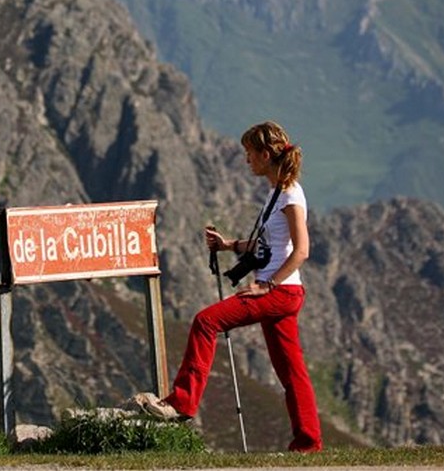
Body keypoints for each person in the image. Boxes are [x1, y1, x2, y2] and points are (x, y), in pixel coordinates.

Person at [128, 120, 323, 453]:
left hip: (280, 291)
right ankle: (308, 443)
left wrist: (267, 287)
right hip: (282, 291)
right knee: (292, 372)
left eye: (249, 153)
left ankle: (182, 403)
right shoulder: (276, 192)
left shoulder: (290, 196)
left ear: (265, 154)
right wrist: (228, 244)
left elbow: (302, 250)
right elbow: (268, 245)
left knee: (207, 321)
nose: (246, 160)